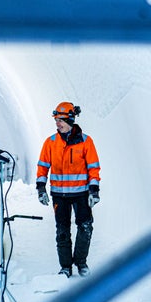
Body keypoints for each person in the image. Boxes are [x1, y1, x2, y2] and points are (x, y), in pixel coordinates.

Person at [36, 102, 101, 277]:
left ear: (70, 120)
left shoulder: (86, 142)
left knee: (85, 227)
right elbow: (42, 167)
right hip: (59, 195)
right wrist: (41, 188)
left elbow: (93, 168)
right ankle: (65, 266)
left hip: (82, 194)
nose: (57, 123)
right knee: (62, 230)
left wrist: (94, 191)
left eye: (61, 120)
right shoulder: (50, 143)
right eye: (56, 120)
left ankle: (81, 262)